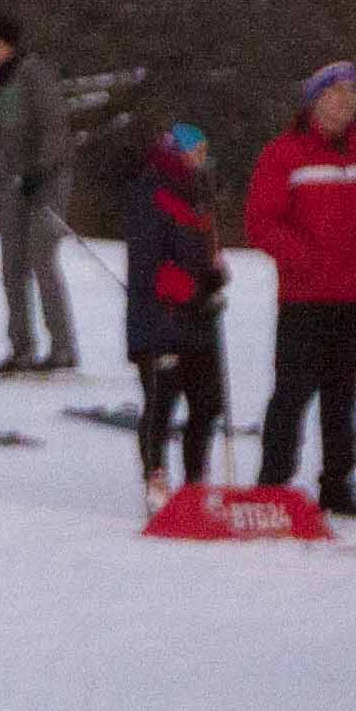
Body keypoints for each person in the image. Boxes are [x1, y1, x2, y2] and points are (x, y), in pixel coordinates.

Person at [246, 62, 356, 517]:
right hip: (306, 295)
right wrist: (303, 258)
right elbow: (262, 222)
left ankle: (338, 483)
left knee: (343, 393)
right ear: (316, 99)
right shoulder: (285, 152)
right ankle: (274, 480)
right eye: (337, 92)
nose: (347, 100)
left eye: (353, 93)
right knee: (293, 389)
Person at [0, 16, 78, 374]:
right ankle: (21, 347)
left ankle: (62, 348)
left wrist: (41, 170)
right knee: (12, 264)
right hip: (14, 178)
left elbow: (54, 126)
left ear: (9, 45)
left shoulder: (33, 73)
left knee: (41, 256)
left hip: (48, 179)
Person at [125, 120, 230, 510]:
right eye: (193, 152)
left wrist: (214, 276)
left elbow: (204, 250)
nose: (200, 160)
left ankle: (195, 481)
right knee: (162, 400)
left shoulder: (199, 194)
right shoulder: (150, 192)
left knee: (206, 402)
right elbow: (150, 263)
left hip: (197, 319)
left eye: (203, 153)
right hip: (160, 320)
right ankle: (156, 477)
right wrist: (192, 290)